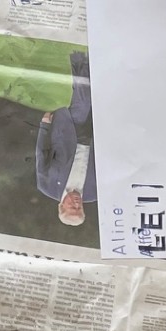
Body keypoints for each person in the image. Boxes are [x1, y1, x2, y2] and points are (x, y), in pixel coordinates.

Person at [35, 49, 96, 227]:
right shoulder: (95, 193)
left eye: (72, 208)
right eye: (79, 208)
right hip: (96, 139)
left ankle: (83, 58)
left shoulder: (47, 186)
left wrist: (44, 126)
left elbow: (41, 155)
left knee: (83, 101)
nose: (76, 204)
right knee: (97, 99)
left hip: (69, 133)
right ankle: (83, 61)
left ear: (61, 206)